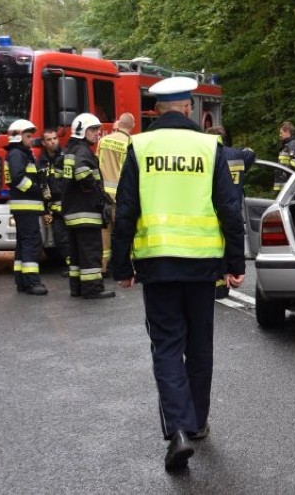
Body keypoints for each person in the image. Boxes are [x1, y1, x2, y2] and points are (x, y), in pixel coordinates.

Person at [111, 76, 245, 472]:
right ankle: (198, 422)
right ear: (188, 108)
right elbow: (229, 209)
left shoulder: (140, 145)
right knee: (200, 344)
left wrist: (122, 265)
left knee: (167, 345)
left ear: (155, 110)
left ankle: (178, 432)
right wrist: (235, 264)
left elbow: (125, 211)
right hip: (203, 264)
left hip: (157, 263)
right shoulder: (209, 146)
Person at [62, 113, 115, 300]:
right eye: (93, 130)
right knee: (91, 252)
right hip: (86, 212)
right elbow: (83, 174)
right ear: (82, 131)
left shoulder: (70, 150)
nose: (97, 133)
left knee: (76, 255)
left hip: (72, 211)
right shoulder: (83, 151)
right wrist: (95, 189)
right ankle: (92, 289)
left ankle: (77, 288)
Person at [205, 125, 255, 298]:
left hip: (214, 207)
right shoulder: (238, 156)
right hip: (233, 205)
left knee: (215, 245)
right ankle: (222, 284)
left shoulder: (211, 157)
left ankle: (217, 281)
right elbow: (250, 153)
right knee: (230, 240)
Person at [5, 119, 48, 295]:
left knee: (23, 243)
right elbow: (18, 178)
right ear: (18, 137)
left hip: (24, 206)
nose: (32, 140)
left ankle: (22, 281)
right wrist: (36, 189)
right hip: (26, 206)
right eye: (28, 136)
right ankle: (31, 282)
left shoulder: (20, 153)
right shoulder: (17, 154)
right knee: (31, 242)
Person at [97, 112, 135, 273]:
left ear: (118, 125)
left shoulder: (102, 141)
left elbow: (97, 164)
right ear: (132, 126)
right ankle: (125, 267)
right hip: (122, 196)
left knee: (104, 232)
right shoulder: (131, 143)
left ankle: (103, 266)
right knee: (124, 232)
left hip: (103, 195)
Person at [37, 128, 71, 275]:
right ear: (44, 143)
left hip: (70, 205)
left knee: (74, 237)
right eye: (49, 139)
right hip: (54, 209)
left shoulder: (65, 157)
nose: (53, 142)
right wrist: (44, 211)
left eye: (55, 138)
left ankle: (75, 266)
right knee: (60, 238)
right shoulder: (41, 162)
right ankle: (72, 265)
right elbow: (41, 187)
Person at [272, 120, 295, 195]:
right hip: (285, 183)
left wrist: (286, 171)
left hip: (289, 183)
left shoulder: (292, 144)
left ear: (287, 132)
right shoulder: (286, 145)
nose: (280, 135)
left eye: (281, 133)